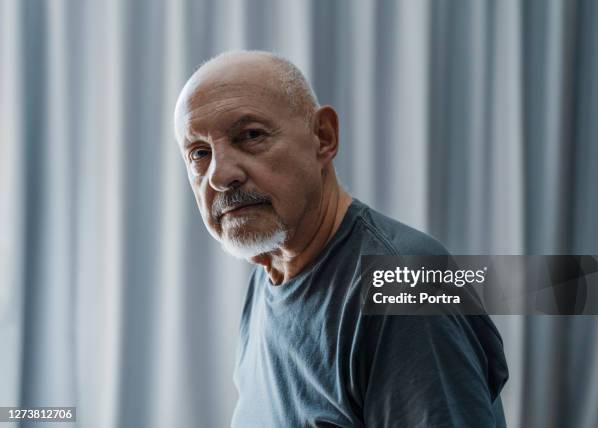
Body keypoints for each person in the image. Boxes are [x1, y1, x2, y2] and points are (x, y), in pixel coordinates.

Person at [173, 50, 508, 427]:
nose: (220, 175)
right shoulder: (271, 269)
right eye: (199, 153)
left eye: (250, 136)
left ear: (323, 137)